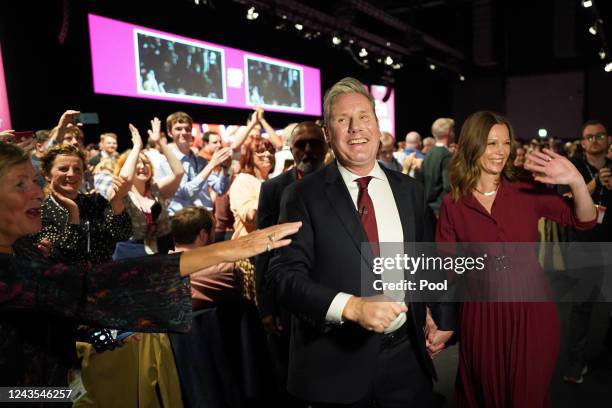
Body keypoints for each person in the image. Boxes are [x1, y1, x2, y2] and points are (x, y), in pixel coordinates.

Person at [0, 142, 301, 387]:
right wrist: (228, 250)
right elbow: (88, 283)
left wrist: (97, 334)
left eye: (34, 180)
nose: (37, 191)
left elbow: (69, 293)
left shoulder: (26, 249)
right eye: (20, 184)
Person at [269, 77, 456, 407]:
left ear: (377, 125)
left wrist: (440, 314)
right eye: (343, 120)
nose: (356, 128)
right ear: (327, 133)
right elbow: (283, 278)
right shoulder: (301, 196)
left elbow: (428, 260)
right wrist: (351, 306)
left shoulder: (409, 191)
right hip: (335, 366)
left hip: (407, 359)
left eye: (364, 117)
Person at [436, 111, 596, 407]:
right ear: (472, 145)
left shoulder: (524, 187)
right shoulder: (453, 203)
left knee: (528, 396)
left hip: (531, 314)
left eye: (505, 143)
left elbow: (583, 219)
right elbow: (445, 266)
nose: (500, 152)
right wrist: (437, 317)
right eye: (491, 143)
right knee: (484, 395)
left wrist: (574, 179)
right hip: (480, 317)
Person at [255, 121, 328, 404]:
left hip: (334, 293)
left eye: (315, 143)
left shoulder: (343, 183)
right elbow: (264, 248)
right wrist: (267, 306)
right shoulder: (273, 189)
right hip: (288, 299)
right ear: (290, 147)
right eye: (301, 144)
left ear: (326, 145)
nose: (308, 150)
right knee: (289, 378)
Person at [563, 120, 612, 383]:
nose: (594, 140)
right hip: (584, 245)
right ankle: (575, 363)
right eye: (589, 137)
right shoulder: (574, 168)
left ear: (608, 139)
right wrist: (593, 184)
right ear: (582, 142)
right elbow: (564, 204)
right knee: (582, 307)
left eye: (599, 136)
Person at [38, 144, 132, 265]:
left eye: (77, 169)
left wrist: (117, 199)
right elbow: (64, 254)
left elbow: (122, 234)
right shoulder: (40, 210)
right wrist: (73, 213)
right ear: (47, 174)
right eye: (63, 169)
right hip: (67, 281)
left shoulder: (95, 202)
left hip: (103, 278)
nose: (71, 174)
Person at [113, 119, 185, 256]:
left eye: (146, 163)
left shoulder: (156, 190)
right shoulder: (120, 193)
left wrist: (160, 143)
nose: (142, 166)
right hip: (130, 254)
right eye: (137, 163)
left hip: (163, 248)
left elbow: (179, 172)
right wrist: (137, 147)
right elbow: (125, 179)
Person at [165, 111, 231, 214]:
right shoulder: (166, 162)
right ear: (169, 133)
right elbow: (185, 194)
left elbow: (220, 189)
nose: (183, 132)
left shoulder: (201, 161)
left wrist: (225, 170)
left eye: (187, 129)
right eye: (178, 129)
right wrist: (211, 165)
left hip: (205, 217)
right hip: (180, 219)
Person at [229, 136, 275, 239]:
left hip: (271, 246)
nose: (268, 154)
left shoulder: (273, 181)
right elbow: (249, 216)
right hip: (248, 248)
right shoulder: (243, 180)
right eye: (261, 151)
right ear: (250, 156)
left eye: (271, 151)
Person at [421, 118, 455, 219]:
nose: (454, 133)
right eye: (453, 130)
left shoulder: (429, 153)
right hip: (441, 209)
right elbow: (448, 186)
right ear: (449, 132)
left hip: (428, 208)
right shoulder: (446, 155)